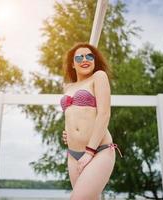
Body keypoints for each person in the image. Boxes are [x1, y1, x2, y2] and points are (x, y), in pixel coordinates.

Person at [60, 42, 122, 200]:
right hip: (73, 155)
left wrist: (89, 152)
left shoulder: (99, 77)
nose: (84, 59)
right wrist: (69, 133)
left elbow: (104, 114)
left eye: (89, 56)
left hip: (98, 151)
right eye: (79, 57)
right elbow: (72, 115)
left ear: (94, 60)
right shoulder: (67, 87)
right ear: (72, 64)